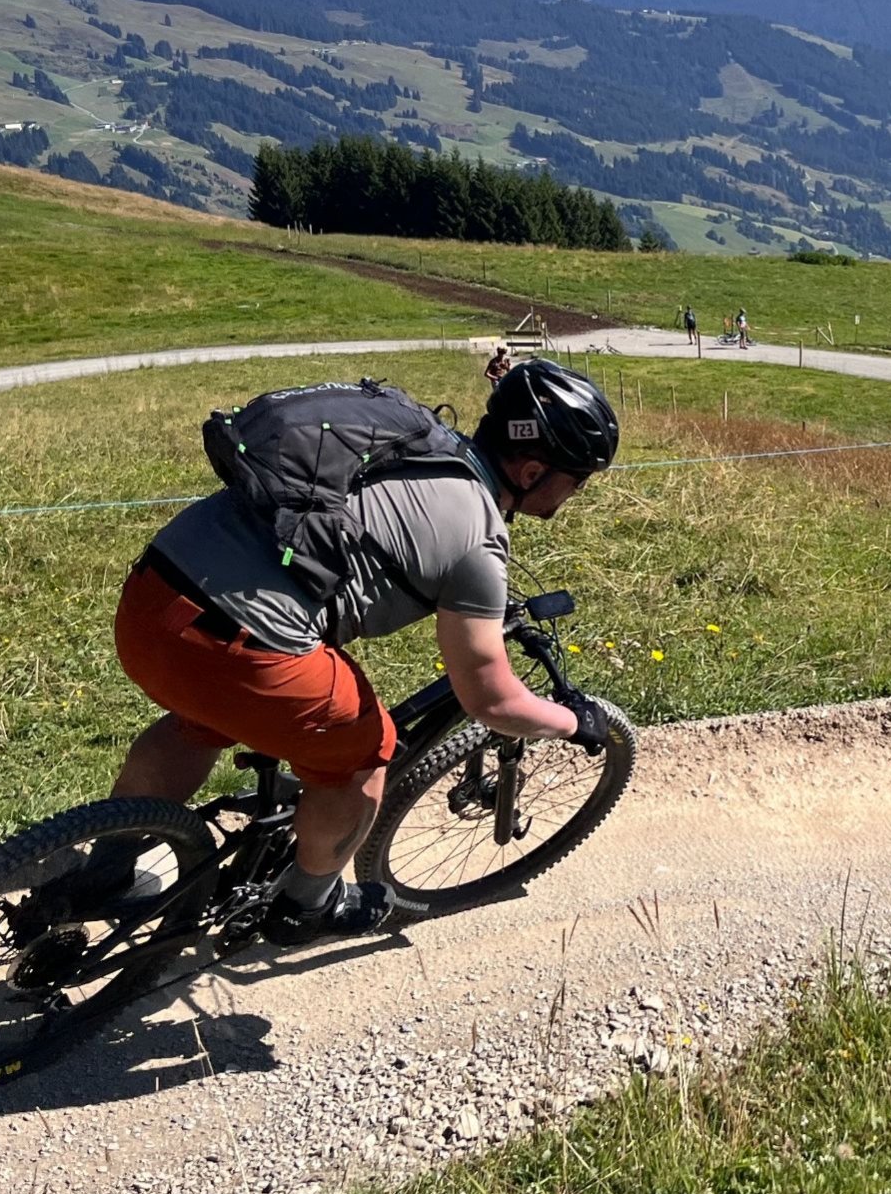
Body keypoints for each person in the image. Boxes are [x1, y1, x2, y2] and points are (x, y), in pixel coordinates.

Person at [99, 360, 621, 946]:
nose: (576, 493)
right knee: (367, 757)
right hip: (241, 650)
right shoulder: (477, 540)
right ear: (532, 471)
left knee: (201, 723)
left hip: (151, 603)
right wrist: (572, 722)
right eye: (577, 480)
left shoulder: (413, 442)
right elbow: (491, 700)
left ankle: (103, 870)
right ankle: (307, 906)